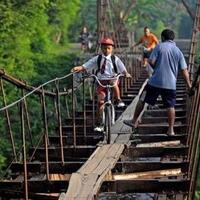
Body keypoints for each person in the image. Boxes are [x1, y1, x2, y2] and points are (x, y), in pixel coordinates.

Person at [124, 29, 191, 137]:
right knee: (170, 106)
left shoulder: (159, 46)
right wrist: (189, 85)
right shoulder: (178, 51)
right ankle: (171, 130)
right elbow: (184, 70)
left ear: (163, 38)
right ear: (172, 39)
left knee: (142, 98)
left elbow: (151, 61)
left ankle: (134, 121)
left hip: (155, 82)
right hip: (170, 84)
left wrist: (157, 69)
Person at [72, 37, 131, 132]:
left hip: (112, 79)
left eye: (108, 48)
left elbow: (122, 67)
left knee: (114, 83)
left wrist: (125, 73)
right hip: (101, 81)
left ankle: (118, 99)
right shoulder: (98, 58)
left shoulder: (114, 59)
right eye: (104, 48)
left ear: (112, 49)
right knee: (100, 102)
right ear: (101, 48)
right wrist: (81, 67)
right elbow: (89, 64)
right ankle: (100, 123)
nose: (106, 50)